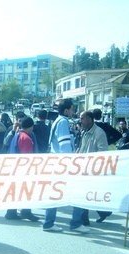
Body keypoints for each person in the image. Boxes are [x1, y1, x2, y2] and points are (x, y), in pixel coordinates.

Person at [43, 98, 89, 233]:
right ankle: (75, 223)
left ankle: (49, 222)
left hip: (56, 162)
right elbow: (64, 146)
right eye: (72, 109)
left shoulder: (57, 121)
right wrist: (71, 163)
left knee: (54, 194)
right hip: (63, 163)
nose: (74, 111)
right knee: (78, 193)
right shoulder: (63, 122)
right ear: (66, 110)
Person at [77, 111, 110, 225]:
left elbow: (103, 152)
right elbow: (81, 148)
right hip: (82, 167)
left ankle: (84, 220)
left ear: (90, 119)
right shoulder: (84, 132)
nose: (80, 121)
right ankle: (102, 212)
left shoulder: (99, 133)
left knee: (85, 194)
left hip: (92, 169)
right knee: (85, 193)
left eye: (82, 118)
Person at [4, 117, 39, 222]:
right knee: (26, 191)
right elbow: (27, 157)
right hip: (22, 169)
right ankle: (25, 211)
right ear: (31, 127)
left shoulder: (17, 134)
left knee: (16, 190)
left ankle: (12, 211)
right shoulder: (26, 138)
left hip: (14, 167)